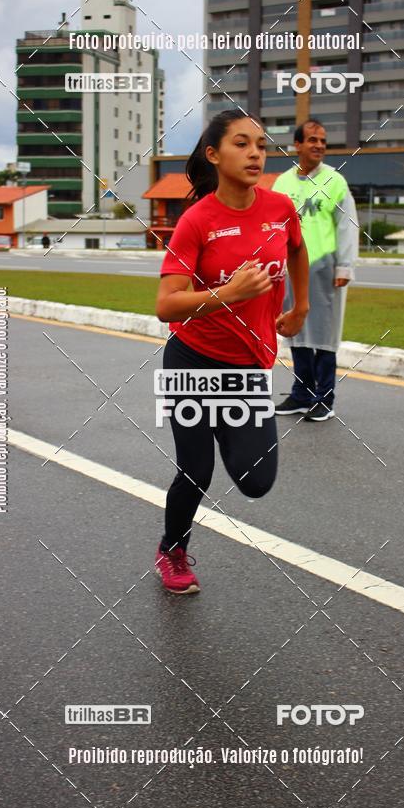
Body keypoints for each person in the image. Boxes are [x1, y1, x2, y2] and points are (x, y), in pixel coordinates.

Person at [155, 109, 310, 594]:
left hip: (245, 369)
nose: (255, 153)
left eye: (261, 145)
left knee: (255, 481)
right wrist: (229, 294)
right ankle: (172, 552)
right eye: (241, 144)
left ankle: (225, 425)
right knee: (196, 469)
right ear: (213, 155)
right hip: (193, 360)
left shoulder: (279, 208)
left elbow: (297, 251)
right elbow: (166, 304)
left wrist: (301, 305)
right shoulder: (196, 222)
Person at [272, 120, 359, 421]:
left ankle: (325, 398)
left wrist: (345, 265)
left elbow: (347, 226)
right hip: (290, 269)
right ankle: (300, 394)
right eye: (312, 139)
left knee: (323, 334)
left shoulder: (336, 181)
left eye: (323, 140)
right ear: (297, 145)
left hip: (325, 267)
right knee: (295, 331)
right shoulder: (282, 184)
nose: (319, 145)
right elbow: (273, 227)